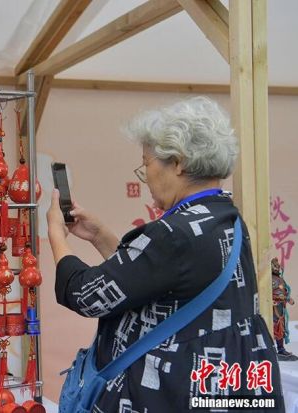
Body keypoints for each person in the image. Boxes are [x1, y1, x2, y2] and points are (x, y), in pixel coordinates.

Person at [48, 96, 284, 412]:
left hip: (173, 392)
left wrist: (56, 236)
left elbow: (87, 295)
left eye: (146, 163)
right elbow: (155, 279)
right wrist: (100, 236)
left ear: (178, 162)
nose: (145, 175)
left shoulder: (174, 233)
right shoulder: (224, 217)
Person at [272, 257, 297, 361]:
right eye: (275, 265)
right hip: (274, 307)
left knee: (280, 328)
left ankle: (281, 349)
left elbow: (282, 292)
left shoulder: (279, 278)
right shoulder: (272, 279)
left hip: (280, 307)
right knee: (275, 327)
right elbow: (274, 293)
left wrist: (287, 298)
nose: (277, 267)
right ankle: (276, 350)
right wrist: (286, 298)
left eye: (278, 265)